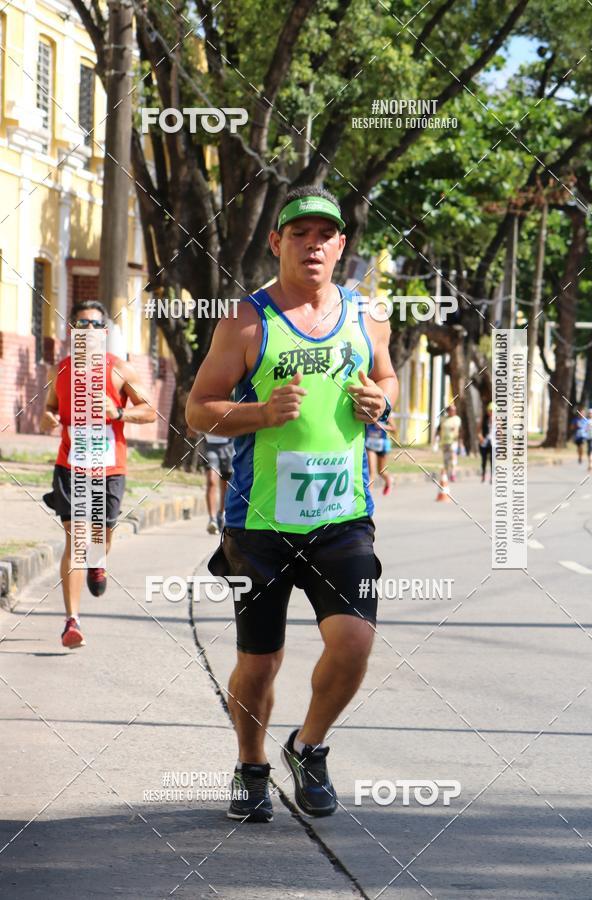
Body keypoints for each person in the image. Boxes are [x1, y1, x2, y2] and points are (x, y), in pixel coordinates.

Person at [186, 185, 397, 823]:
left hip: (342, 518)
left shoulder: (369, 317)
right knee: (261, 659)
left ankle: (308, 747)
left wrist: (381, 401)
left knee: (355, 641)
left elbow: (386, 376)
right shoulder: (246, 321)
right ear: (277, 242)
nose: (312, 243)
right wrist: (259, 412)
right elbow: (199, 409)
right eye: (298, 233)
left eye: (324, 234)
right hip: (260, 524)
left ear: (340, 247)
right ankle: (251, 765)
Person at [40, 301, 156, 648]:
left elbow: (150, 412)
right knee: (75, 540)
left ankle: (99, 560)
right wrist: (48, 418)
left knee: (100, 535)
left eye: (95, 324)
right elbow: (50, 407)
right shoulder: (60, 371)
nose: (88, 330)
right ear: (71, 331)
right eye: (81, 324)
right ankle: (72, 621)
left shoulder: (119, 371)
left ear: (104, 333)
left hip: (109, 467)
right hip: (70, 465)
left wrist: (118, 411)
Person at [202, 432, 234, 533]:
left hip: (229, 443)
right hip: (209, 444)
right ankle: (212, 519)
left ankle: (221, 514)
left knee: (226, 482)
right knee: (211, 480)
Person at [365, 420, 397, 495]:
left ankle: (389, 480)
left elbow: (394, 429)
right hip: (370, 446)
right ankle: (368, 496)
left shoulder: (386, 414)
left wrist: (383, 426)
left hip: (382, 446)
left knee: (381, 471)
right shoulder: (369, 414)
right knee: (371, 473)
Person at [436, 403, 462, 482]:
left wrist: (461, 442)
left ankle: (453, 474)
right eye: (451, 410)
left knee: (453, 457)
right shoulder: (443, 419)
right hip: (444, 442)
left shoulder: (457, 419)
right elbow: (439, 429)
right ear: (448, 411)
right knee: (446, 460)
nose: (453, 411)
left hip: (453, 441)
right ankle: (447, 474)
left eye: (454, 410)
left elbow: (460, 430)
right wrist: (436, 439)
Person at [478, 402, 493, 483]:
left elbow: (500, 432)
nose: (491, 413)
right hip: (484, 441)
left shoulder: (498, 420)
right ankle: (483, 475)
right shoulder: (483, 419)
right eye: (490, 411)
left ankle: (492, 477)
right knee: (484, 460)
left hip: (493, 442)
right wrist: (480, 437)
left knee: (492, 460)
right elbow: (478, 430)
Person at [583, 407, 592, 472]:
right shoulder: (586, 420)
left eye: (591, 413)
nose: (590, 414)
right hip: (588, 437)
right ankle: (590, 463)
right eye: (589, 413)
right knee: (589, 451)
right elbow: (585, 429)